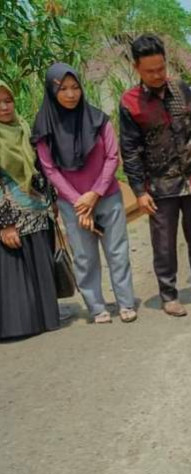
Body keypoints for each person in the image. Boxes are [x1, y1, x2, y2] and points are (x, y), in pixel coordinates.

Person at [120, 34, 191, 317]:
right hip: (159, 186)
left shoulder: (181, 88)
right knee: (164, 244)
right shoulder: (130, 103)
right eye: (150, 71)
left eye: (161, 68)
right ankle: (168, 294)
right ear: (137, 68)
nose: (158, 75)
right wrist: (139, 192)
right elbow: (129, 151)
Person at [33, 63, 137, 324]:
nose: (71, 94)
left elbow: (113, 158)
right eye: (63, 89)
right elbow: (49, 169)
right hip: (73, 204)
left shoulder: (98, 119)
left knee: (117, 252)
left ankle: (125, 302)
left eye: (75, 87)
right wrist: (79, 201)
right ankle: (96, 306)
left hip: (107, 197)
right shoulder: (44, 126)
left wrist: (94, 194)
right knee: (84, 257)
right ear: (51, 91)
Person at [0, 79, 60, 339]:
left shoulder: (24, 128)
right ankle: (20, 325)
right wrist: (5, 223)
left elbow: (43, 168)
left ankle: (47, 317)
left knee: (41, 262)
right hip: (11, 214)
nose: (4, 106)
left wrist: (53, 200)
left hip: (38, 209)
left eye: (7, 100)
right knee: (17, 269)